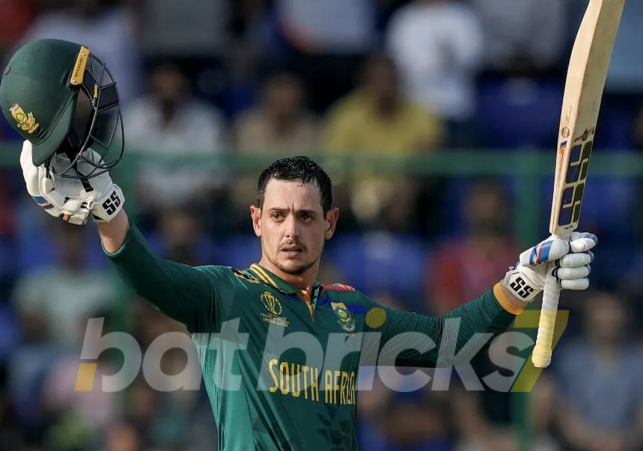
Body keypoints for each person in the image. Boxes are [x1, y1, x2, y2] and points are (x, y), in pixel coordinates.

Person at [1, 39, 598, 450]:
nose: (292, 230)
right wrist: (109, 209)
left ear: (330, 224)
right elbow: (145, 272)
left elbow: (450, 345)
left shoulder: (349, 311)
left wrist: (525, 278)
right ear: (256, 221)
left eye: (306, 217)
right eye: (279, 216)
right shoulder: (222, 295)